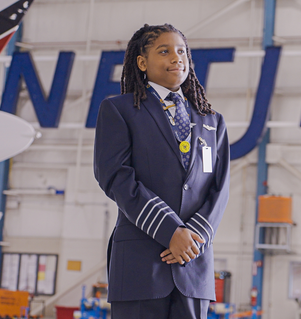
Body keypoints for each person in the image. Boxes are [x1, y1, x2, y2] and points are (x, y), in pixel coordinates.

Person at [93, 23, 230, 319]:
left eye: (182, 51)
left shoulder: (212, 121)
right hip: (141, 267)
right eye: (164, 51)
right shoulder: (119, 110)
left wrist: (192, 238)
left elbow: (220, 189)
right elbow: (116, 176)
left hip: (193, 267)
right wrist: (170, 231)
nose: (176, 58)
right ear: (142, 62)